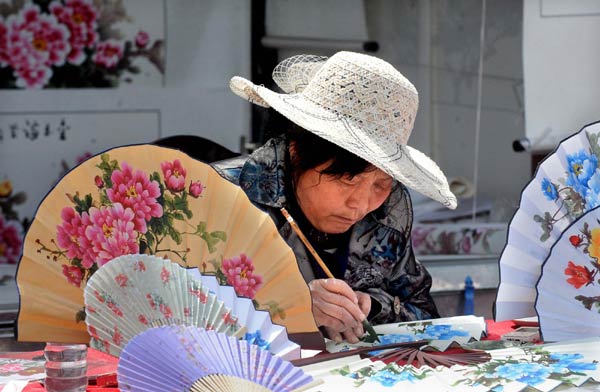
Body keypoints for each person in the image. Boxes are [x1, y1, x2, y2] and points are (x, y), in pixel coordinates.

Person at [213, 52, 457, 343]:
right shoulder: (222, 198)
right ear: (297, 151)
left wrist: (374, 306)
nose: (361, 204)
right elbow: (176, 312)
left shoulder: (388, 209)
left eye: (380, 184)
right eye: (347, 179)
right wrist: (290, 306)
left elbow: (425, 316)